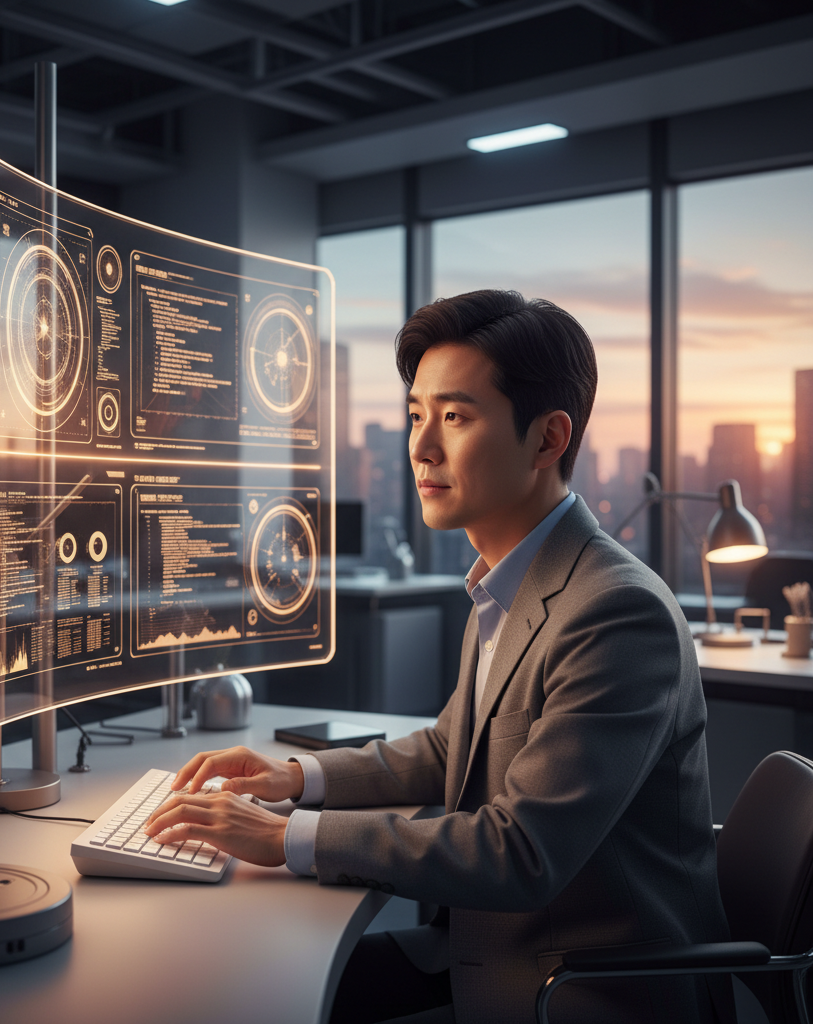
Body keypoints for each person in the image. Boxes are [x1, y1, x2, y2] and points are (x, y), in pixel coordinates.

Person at [144, 290, 731, 1024]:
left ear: (549, 439)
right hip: (478, 954)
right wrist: (295, 778)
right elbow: (450, 746)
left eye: (454, 417)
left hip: (576, 992)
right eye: (417, 415)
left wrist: (286, 835)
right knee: (244, 981)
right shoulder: (506, 582)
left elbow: (521, 853)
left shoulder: (616, 611)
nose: (421, 447)